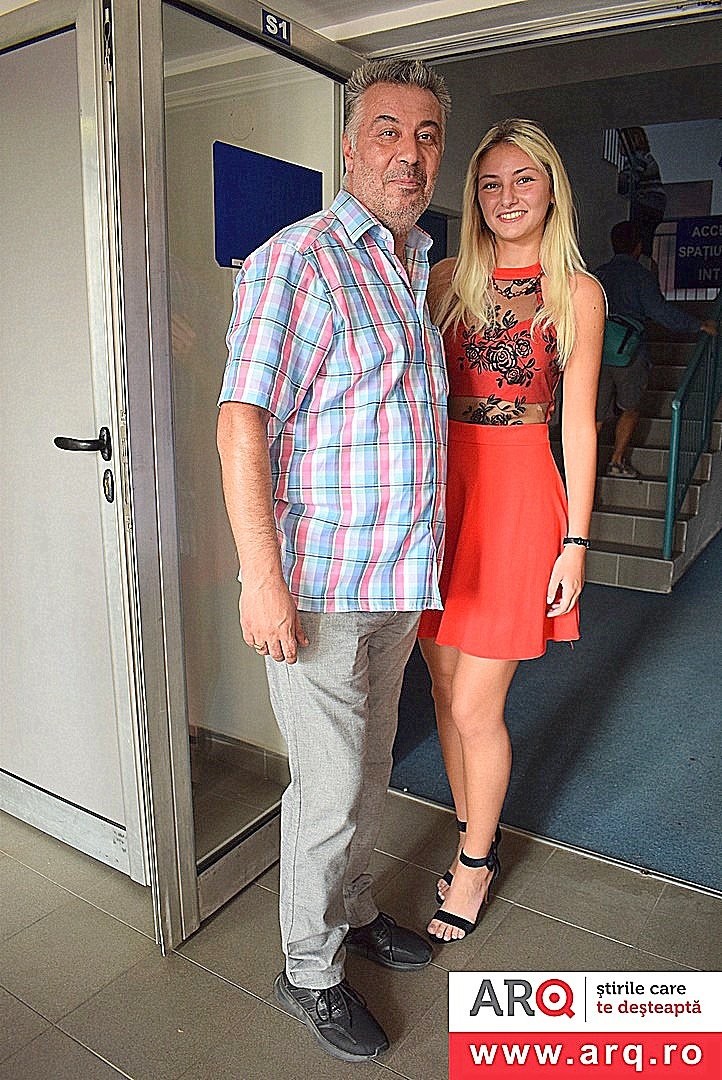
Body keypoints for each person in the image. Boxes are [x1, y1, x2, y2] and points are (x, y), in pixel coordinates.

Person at [216, 59, 451, 1063]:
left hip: (395, 579)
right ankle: (307, 972)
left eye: (427, 135)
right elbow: (242, 422)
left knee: (368, 768)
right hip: (317, 586)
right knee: (326, 789)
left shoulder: (412, 266)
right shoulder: (300, 260)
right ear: (350, 148)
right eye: (388, 130)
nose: (409, 152)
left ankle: (352, 910)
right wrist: (262, 578)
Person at [417, 118, 604, 943]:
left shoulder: (577, 291)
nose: (506, 196)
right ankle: (473, 828)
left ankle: (475, 864)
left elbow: (580, 427)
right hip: (442, 494)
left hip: (522, 495)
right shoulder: (444, 278)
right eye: (490, 183)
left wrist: (577, 542)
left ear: (552, 189)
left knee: (473, 702)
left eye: (524, 179)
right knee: (441, 687)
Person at [595, 220, 717, 479]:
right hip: (630, 353)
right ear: (638, 247)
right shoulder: (641, 276)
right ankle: (616, 461)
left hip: (598, 352)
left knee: (595, 415)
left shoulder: (599, 275)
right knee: (630, 408)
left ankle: (583, 469)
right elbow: (661, 312)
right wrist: (698, 325)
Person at [619, 127, 666, 262]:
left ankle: (640, 260)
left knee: (639, 233)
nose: (619, 146)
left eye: (622, 142)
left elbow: (630, 180)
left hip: (648, 203)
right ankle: (645, 260)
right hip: (656, 205)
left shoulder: (637, 158)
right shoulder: (645, 157)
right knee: (646, 236)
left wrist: (620, 179)